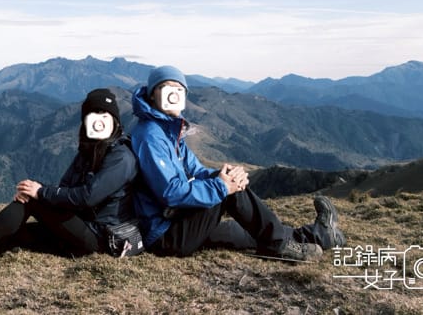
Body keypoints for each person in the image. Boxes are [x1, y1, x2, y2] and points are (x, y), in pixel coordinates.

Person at [131, 65, 346, 261]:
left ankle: (321, 236)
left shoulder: (169, 133)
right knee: (231, 192)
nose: (174, 95)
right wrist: (224, 185)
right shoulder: (151, 135)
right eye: (167, 88)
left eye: (179, 90)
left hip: (178, 222)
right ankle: (280, 247)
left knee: (250, 230)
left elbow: (196, 170)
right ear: (152, 96)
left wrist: (222, 174)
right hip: (165, 236)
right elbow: (170, 192)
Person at [0, 88, 141, 264]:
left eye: (106, 117)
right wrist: (39, 191)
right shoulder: (89, 152)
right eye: (94, 117)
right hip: (85, 228)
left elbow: (88, 197)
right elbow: (65, 187)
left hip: (104, 240)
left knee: (32, 199)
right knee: (19, 233)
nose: (100, 123)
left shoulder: (121, 158)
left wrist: (39, 192)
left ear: (115, 122)